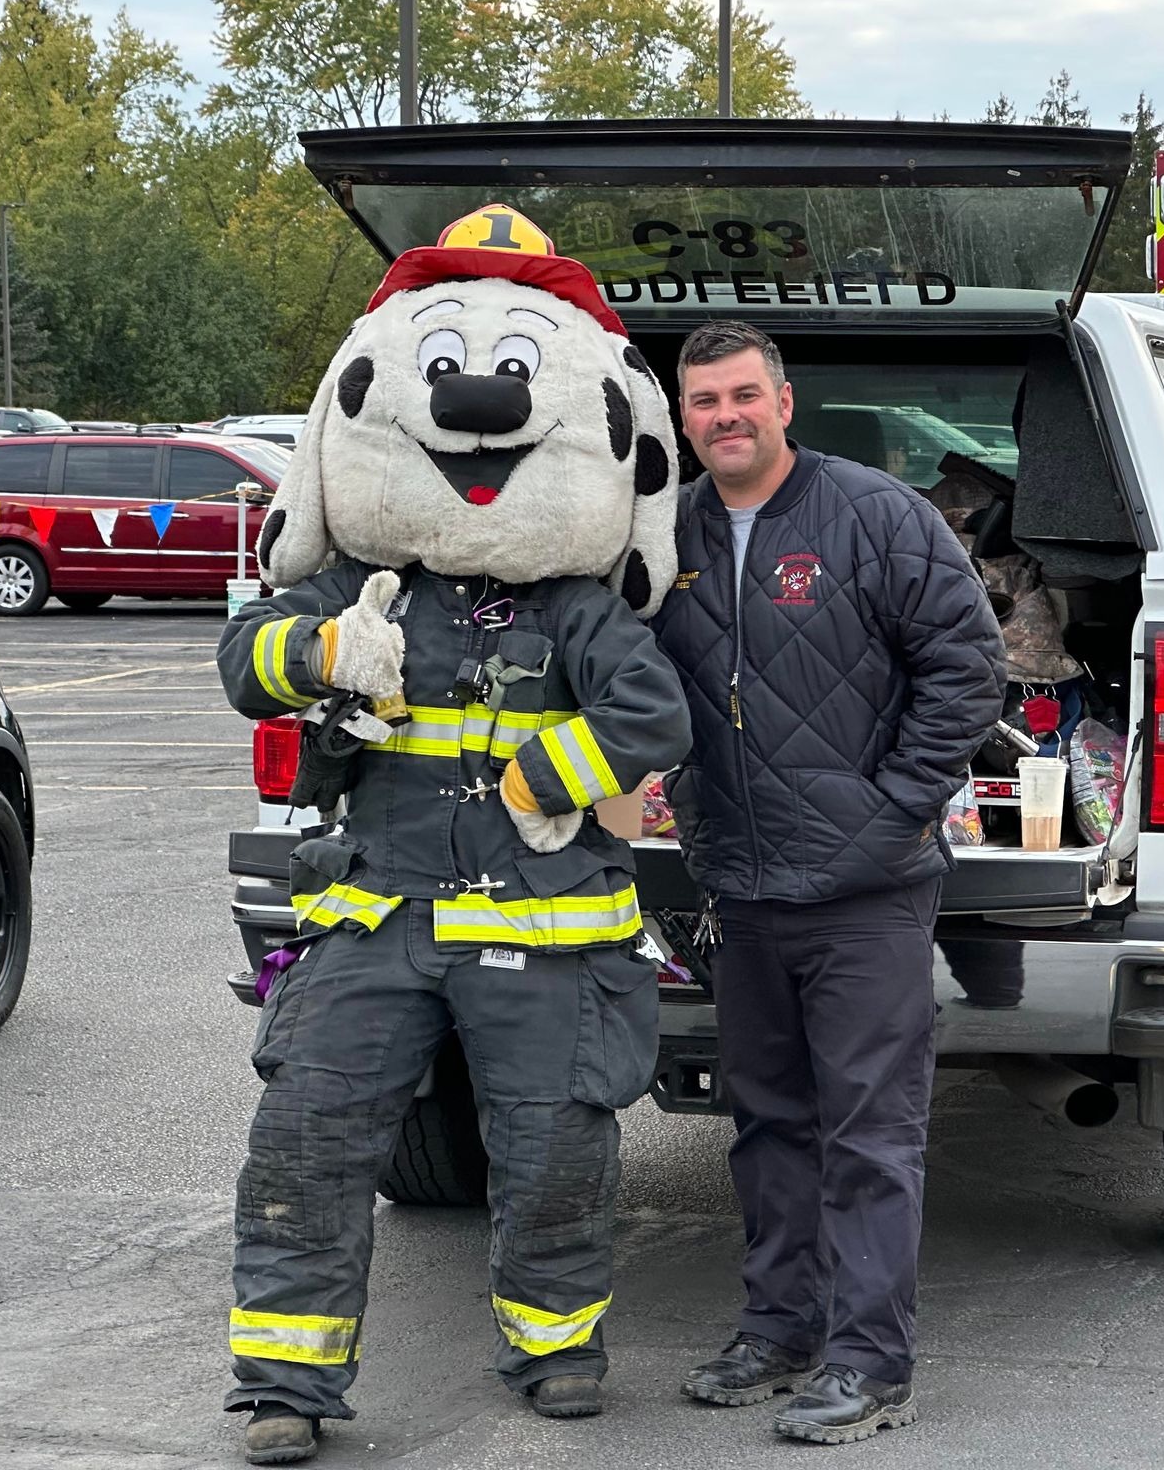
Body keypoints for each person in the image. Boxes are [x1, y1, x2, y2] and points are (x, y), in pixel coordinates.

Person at [215, 205, 690, 1464]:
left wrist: (548, 772)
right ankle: (285, 1387)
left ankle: (558, 1346)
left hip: (543, 935)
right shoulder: (364, 585)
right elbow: (242, 664)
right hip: (376, 917)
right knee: (309, 1138)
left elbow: (653, 711)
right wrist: (316, 649)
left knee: (555, 1150)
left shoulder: (579, 607)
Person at [653, 320, 1006, 1444]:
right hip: (744, 884)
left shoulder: (873, 514)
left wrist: (891, 806)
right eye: (705, 401)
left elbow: (968, 666)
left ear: (785, 401)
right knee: (766, 1124)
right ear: (683, 416)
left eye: (744, 395)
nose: (726, 417)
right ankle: (780, 1328)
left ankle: (871, 1363)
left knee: (869, 1133)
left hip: (867, 886)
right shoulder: (672, 532)